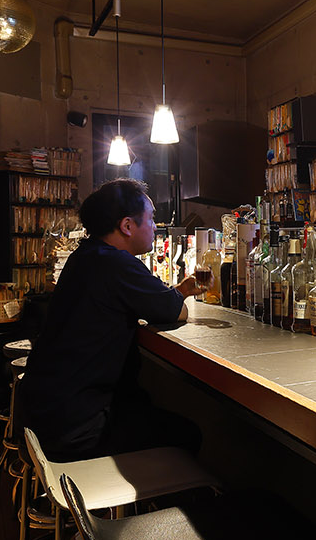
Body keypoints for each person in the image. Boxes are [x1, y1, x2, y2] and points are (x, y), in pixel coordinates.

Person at [17, 178, 201, 461]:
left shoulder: (85, 256)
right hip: (77, 430)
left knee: (143, 406)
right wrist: (180, 295)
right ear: (127, 226)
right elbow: (175, 311)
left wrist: (179, 290)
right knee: (188, 434)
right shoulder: (116, 263)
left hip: (45, 417)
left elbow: (154, 299)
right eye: (150, 219)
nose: (155, 226)